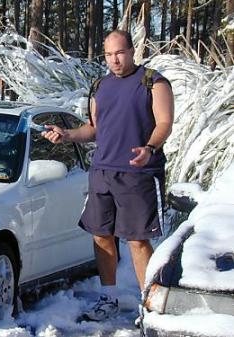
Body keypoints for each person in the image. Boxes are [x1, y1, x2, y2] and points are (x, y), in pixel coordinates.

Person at [42, 30, 174, 322]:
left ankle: (148, 307)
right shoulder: (100, 86)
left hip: (138, 174)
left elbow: (165, 122)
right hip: (102, 172)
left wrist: (150, 148)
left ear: (131, 51)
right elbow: (94, 129)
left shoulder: (153, 82)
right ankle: (109, 298)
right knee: (102, 236)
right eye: (109, 55)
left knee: (138, 241)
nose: (114, 60)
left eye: (120, 53)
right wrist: (67, 135)